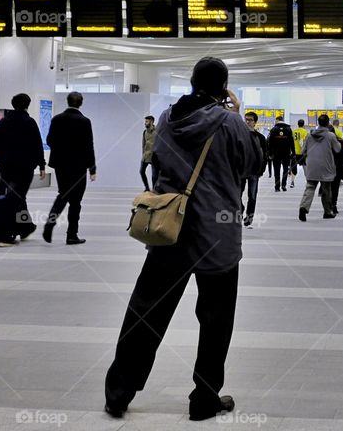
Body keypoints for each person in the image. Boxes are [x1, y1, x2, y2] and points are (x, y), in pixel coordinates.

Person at [105, 57, 262, 421]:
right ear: (224, 88)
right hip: (216, 237)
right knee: (216, 319)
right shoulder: (229, 121)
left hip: (169, 230)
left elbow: (158, 164)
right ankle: (204, 399)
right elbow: (254, 165)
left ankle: (118, 393)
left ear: (192, 82)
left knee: (145, 313)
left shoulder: (166, 118)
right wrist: (240, 116)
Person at [0, 93, 46, 245]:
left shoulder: (4, 122)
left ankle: (26, 227)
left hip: (6, 166)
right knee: (15, 198)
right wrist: (42, 165)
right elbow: (37, 145)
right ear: (27, 105)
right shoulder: (29, 122)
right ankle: (4, 235)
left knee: (16, 196)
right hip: (25, 167)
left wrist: (4, 151)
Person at [44, 91, 96, 245]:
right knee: (76, 201)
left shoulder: (56, 119)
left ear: (67, 102)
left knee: (63, 194)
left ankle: (50, 223)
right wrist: (92, 168)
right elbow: (89, 146)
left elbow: (49, 140)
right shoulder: (85, 121)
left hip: (60, 164)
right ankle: (71, 234)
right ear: (80, 103)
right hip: (79, 166)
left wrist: (61, 150)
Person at [298, 114, 340, 221]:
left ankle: (303, 207)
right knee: (326, 189)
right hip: (326, 165)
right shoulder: (330, 136)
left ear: (318, 122)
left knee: (310, 187)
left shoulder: (309, 135)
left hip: (312, 166)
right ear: (327, 123)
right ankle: (327, 212)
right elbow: (338, 149)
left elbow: (303, 151)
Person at [242, 112, 267, 226]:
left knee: (252, 196)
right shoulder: (239, 136)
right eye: (246, 119)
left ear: (255, 122)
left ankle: (249, 216)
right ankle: (240, 209)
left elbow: (265, 156)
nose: (248, 122)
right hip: (241, 171)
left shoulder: (261, 138)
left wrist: (261, 170)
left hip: (254, 172)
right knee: (237, 195)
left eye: (250, 120)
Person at [267, 115, 294, 192]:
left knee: (276, 170)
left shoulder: (273, 129)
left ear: (277, 120)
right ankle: (284, 185)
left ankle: (277, 186)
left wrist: (270, 153)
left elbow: (270, 143)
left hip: (276, 154)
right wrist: (293, 153)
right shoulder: (288, 129)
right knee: (285, 169)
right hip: (286, 153)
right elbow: (292, 142)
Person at [329, 124, 343, 215]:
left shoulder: (322, 142)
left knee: (326, 187)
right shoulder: (341, 142)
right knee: (335, 187)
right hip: (338, 168)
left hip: (326, 168)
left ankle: (328, 204)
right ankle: (334, 204)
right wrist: (342, 165)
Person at [139, 115, 158, 191]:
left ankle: (154, 189)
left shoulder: (157, 131)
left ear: (152, 121)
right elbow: (143, 144)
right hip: (146, 156)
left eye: (147, 121)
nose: (145, 123)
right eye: (145, 121)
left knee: (154, 175)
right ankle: (147, 188)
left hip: (154, 156)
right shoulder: (144, 132)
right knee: (141, 171)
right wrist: (143, 154)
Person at [291, 118, 308, 189]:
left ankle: (292, 182)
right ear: (303, 124)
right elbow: (305, 142)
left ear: (298, 124)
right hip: (302, 153)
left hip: (294, 152)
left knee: (293, 168)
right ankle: (308, 182)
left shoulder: (294, 131)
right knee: (305, 167)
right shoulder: (305, 132)